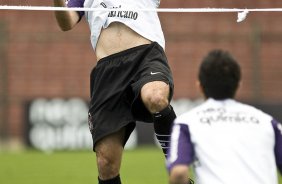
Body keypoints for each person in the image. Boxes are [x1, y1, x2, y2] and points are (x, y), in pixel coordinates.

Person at [53, 0, 176, 183]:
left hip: (146, 57)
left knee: (156, 96)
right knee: (106, 164)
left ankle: (179, 169)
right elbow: (66, 23)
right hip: (107, 71)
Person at [166, 49, 282, 184]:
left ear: (200, 86)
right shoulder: (268, 122)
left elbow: (179, 173)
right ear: (238, 85)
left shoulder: (186, 123)